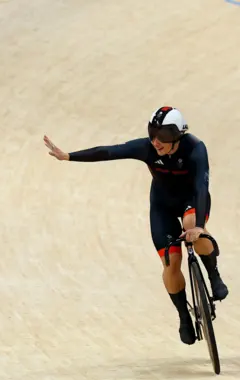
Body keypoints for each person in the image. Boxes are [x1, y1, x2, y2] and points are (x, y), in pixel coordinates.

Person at [43, 106, 228, 345]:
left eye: (163, 136)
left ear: (177, 135)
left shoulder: (195, 149)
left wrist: (200, 226)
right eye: (153, 133)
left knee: (193, 225)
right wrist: (69, 156)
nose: (156, 141)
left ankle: (213, 275)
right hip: (162, 207)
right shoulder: (147, 148)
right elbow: (110, 152)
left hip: (192, 201)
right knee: (171, 264)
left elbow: (202, 187)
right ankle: (183, 315)